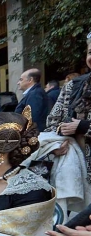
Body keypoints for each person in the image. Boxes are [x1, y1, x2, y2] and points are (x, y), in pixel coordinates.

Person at [46, 35, 91, 188]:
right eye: (90, 52)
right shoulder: (73, 86)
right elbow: (53, 120)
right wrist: (56, 144)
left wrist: (84, 126)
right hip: (77, 168)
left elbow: (82, 126)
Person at [16, 68, 49, 133]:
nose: (18, 83)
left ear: (30, 80)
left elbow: (32, 119)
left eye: (21, 79)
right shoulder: (34, 93)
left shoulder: (35, 94)